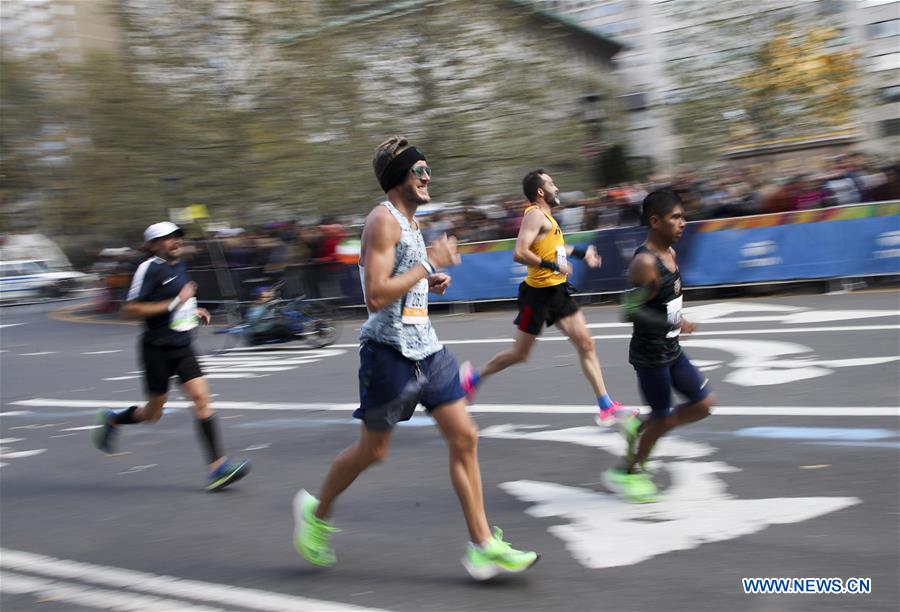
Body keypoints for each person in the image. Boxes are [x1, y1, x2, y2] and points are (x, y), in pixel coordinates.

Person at [293, 137, 538, 580]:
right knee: (374, 451)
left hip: (428, 349)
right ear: (399, 178)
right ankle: (316, 512)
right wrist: (427, 265)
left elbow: (404, 283)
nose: (428, 177)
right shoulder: (381, 222)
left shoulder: (411, 223)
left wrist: (430, 278)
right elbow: (373, 296)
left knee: (465, 436)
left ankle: (482, 545)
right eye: (420, 170)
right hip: (388, 355)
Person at [459, 169, 635, 425]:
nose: (557, 188)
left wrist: (583, 252)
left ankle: (605, 406)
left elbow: (556, 248)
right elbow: (519, 252)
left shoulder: (548, 218)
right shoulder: (534, 215)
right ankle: (473, 378)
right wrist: (553, 266)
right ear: (540, 191)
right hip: (537, 297)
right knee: (520, 354)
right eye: (552, 184)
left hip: (558, 291)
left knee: (586, 344)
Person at [92, 221, 250, 492]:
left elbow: (179, 300)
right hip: (156, 348)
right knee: (154, 413)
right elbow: (129, 310)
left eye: (178, 237)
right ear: (153, 244)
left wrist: (193, 311)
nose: (176, 241)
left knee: (202, 399)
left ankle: (217, 469)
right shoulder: (148, 268)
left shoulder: (178, 264)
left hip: (182, 345)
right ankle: (112, 419)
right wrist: (177, 302)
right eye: (167, 238)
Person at [602, 190, 716, 503]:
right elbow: (630, 310)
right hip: (651, 356)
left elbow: (665, 300)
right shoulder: (645, 262)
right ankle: (630, 470)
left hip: (672, 349)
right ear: (655, 222)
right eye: (675, 217)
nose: (683, 223)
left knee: (704, 404)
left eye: (683, 216)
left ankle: (641, 424)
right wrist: (672, 323)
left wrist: (681, 318)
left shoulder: (670, 255)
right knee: (664, 416)